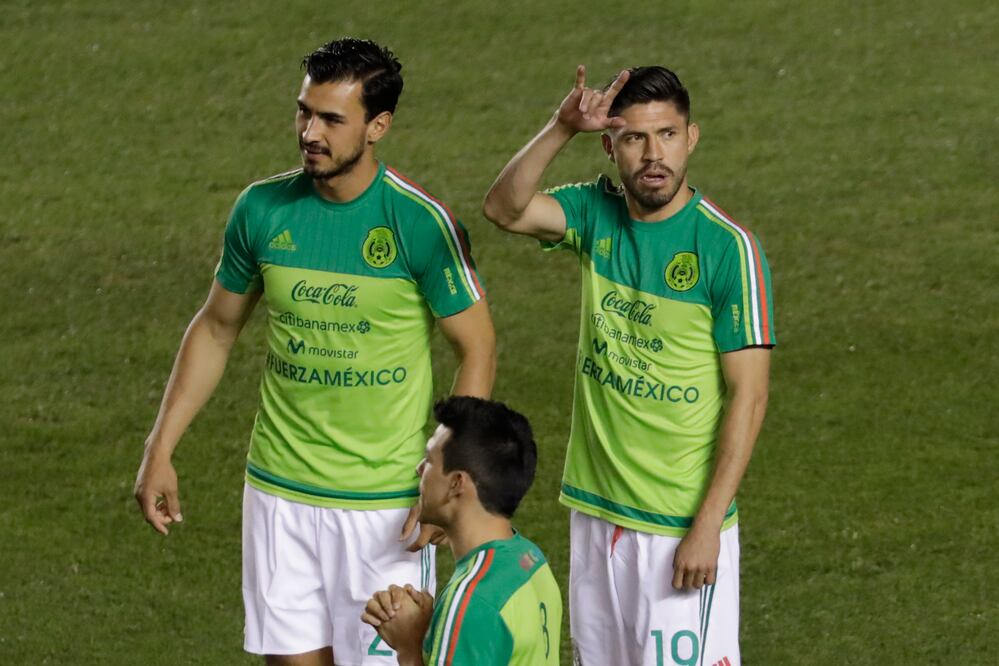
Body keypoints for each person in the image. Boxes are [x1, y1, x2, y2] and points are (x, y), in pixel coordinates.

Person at [133, 38, 496, 666]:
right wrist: (159, 447)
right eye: (304, 112)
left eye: (331, 119)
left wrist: (446, 487)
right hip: (279, 496)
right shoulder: (262, 208)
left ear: (378, 125)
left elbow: (478, 346)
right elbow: (217, 328)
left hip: (384, 509)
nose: (309, 132)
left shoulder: (419, 224)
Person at [482, 65, 775, 665]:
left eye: (667, 134)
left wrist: (707, 525)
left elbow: (750, 396)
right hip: (596, 514)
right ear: (610, 146)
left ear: (691, 138)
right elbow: (504, 209)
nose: (653, 155)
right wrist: (562, 126)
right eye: (636, 138)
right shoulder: (595, 214)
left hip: (679, 523)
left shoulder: (726, 249)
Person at [361, 397, 561, 666]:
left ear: (456, 484)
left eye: (430, 460)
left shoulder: (471, 600)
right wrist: (432, 631)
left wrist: (409, 647)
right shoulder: (529, 559)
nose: (419, 468)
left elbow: (476, 616)